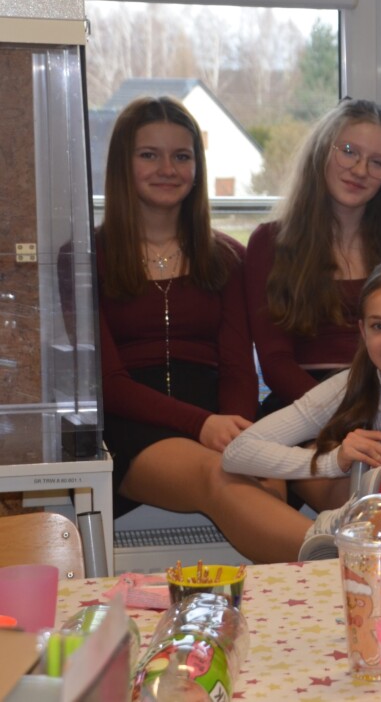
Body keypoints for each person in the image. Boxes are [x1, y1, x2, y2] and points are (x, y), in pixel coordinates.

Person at [95, 96, 312, 563]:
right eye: (149, 155)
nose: (167, 169)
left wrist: (239, 433)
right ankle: (349, 563)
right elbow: (109, 383)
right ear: (122, 164)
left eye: (182, 156)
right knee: (222, 474)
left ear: (197, 167)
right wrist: (203, 427)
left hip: (218, 417)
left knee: (268, 482)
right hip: (132, 425)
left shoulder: (227, 257)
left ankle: (307, 597)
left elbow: (237, 369)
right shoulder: (87, 256)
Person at [245, 98, 381, 415]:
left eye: (377, 162)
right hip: (300, 406)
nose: (360, 170)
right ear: (322, 151)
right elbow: (275, 363)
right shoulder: (269, 243)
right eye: (348, 151)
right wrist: (343, 419)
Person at [223, 258, 381, 512]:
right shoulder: (347, 386)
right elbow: (238, 452)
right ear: (363, 331)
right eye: (379, 326)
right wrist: (334, 461)